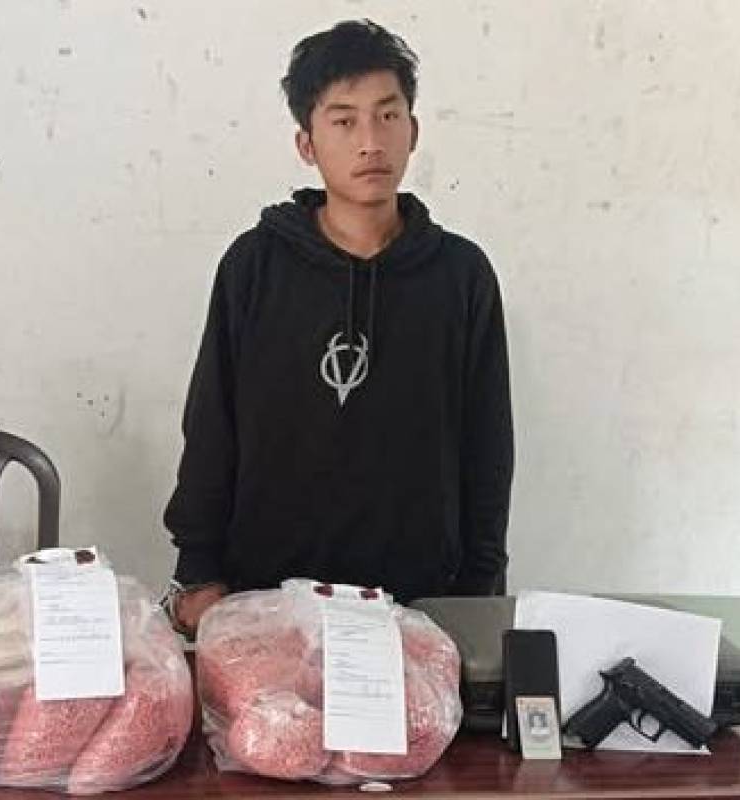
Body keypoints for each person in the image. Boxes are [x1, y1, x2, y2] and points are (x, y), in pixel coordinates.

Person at [162, 19, 513, 636]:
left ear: (413, 131)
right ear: (307, 143)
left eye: (388, 115)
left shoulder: (461, 275)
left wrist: (476, 593)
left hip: (416, 607)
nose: (370, 142)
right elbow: (212, 423)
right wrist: (198, 570)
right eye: (344, 121)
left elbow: (487, 447)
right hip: (266, 599)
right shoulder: (255, 265)